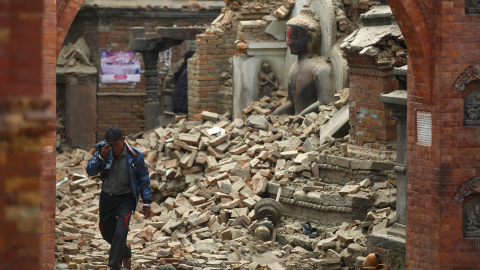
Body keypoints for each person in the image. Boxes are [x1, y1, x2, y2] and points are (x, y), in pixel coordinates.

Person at [86, 126, 152, 270]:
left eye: (116, 144)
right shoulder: (103, 152)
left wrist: (147, 202)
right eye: (111, 144)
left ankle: (114, 266)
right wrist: (101, 157)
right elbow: (90, 170)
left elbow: (144, 179)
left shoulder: (135, 155)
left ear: (123, 140)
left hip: (126, 199)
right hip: (107, 198)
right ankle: (126, 251)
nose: (114, 148)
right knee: (106, 232)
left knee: (121, 231)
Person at [273, 5, 334, 117]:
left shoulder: (320, 68)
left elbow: (325, 102)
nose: (289, 42)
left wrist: (299, 117)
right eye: (288, 37)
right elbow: (292, 103)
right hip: (296, 126)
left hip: (311, 124)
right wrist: (274, 114)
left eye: (294, 38)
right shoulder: (293, 68)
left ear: (310, 39)